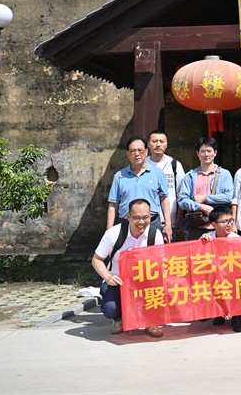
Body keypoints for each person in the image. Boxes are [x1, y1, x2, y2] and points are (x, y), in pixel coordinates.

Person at [92, 198, 164, 337]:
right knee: (110, 308)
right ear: (128, 217)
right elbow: (96, 259)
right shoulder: (113, 234)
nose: (141, 222)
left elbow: (160, 263)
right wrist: (108, 277)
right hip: (118, 282)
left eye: (145, 217)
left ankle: (151, 321)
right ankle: (119, 319)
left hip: (145, 283)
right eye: (137, 218)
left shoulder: (155, 234)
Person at [107, 136, 170, 242]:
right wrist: (109, 230)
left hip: (151, 224)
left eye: (140, 150)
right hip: (126, 224)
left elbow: (164, 199)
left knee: (153, 252)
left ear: (146, 152)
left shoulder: (158, 173)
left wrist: (168, 225)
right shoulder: (119, 176)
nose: (136, 154)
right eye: (132, 151)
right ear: (128, 154)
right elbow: (113, 204)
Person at [177, 137, 234, 240]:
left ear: (215, 153)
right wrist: (200, 206)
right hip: (196, 226)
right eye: (203, 151)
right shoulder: (190, 176)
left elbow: (228, 197)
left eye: (209, 151)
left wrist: (205, 198)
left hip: (218, 226)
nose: (206, 154)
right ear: (197, 154)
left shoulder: (224, 174)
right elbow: (182, 200)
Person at [199, 205, 241, 332]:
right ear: (214, 224)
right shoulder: (208, 237)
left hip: (233, 276)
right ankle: (218, 313)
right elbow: (199, 259)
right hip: (214, 276)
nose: (229, 224)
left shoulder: (237, 240)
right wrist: (202, 242)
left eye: (231, 221)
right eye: (225, 221)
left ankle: (237, 317)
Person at [147, 131, 185, 241]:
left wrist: (178, 217)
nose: (158, 144)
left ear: (166, 144)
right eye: (154, 141)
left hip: (170, 219)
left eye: (161, 141)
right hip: (146, 219)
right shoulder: (143, 163)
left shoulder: (174, 164)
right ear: (148, 144)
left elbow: (181, 193)